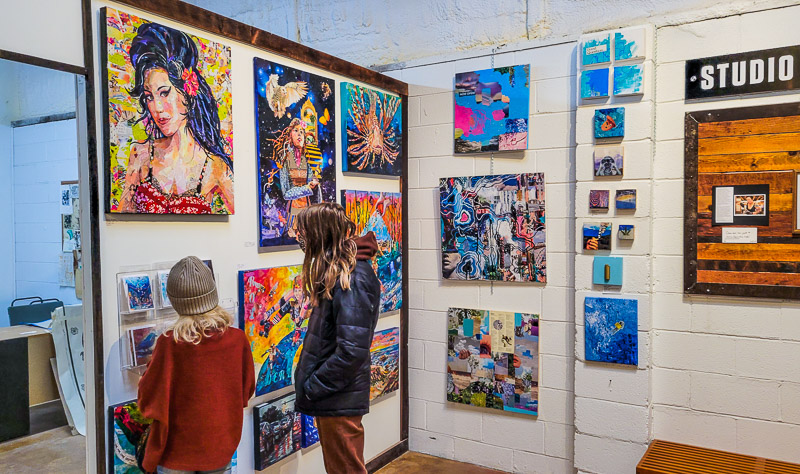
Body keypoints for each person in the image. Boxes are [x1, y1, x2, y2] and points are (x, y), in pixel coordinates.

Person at [138, 256, 255, 473]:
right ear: (213, 293)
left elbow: (148, 401)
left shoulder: (169, 344)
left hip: (176, 452)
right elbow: (246, 392)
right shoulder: (237, 339)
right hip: (220, 447)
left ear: (174, 300)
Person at [293, 202, 381, 474]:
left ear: (321, 234)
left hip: (337, 397)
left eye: (304, 233)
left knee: (345, 469)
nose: (301, 239)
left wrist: (313, 387)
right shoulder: (340, 272)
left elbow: (351, 352)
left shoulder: (351, 278)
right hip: (335, 396)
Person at [119, 22, 234, 214]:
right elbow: (120, 220)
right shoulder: (140, 154)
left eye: (164, 93)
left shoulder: (215, 166)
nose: (157, 108)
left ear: (188, 90)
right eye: (149, 97)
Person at [270, 118, 321, 237]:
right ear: (290, 135)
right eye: (296, 131)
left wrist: (314, 184)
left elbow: (311, 183)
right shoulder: (285, 160)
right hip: (292, 214)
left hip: (307, 213)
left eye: (302, 132)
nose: (299, 134)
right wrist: (307, 188)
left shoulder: (305, 161)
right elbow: (286, 193)